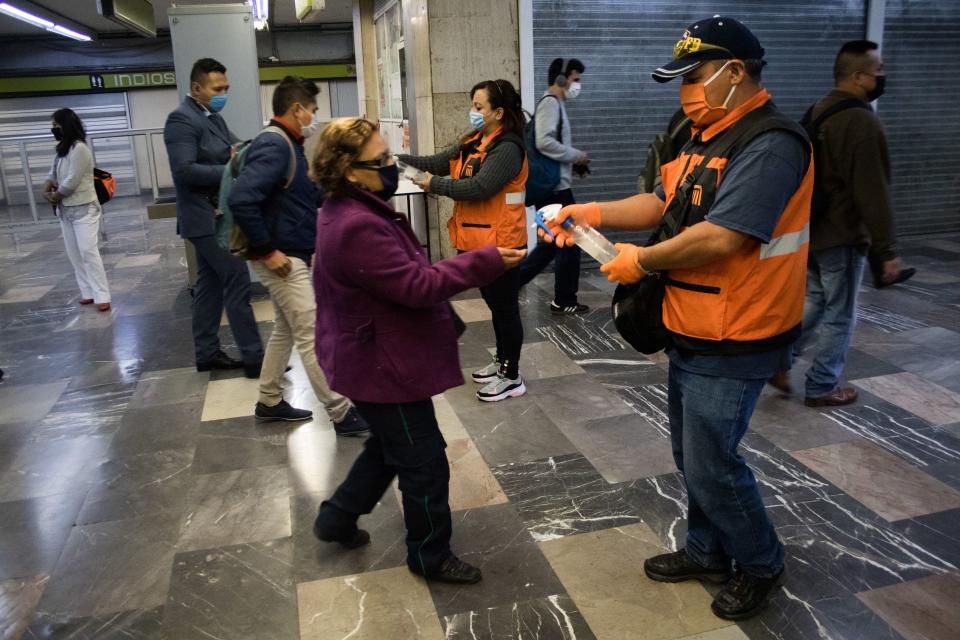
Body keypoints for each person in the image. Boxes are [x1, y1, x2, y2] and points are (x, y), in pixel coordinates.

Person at [545, 17, 808, 620]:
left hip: (741, 328)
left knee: (713, 462)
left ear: (735, 72)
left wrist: (641, 262)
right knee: (694, 456)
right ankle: (707, 551)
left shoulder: (770, 143)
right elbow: (664, 204)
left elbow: (722, 237)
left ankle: (762, 562)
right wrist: (592, 212)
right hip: (692, 320)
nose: (683, 90)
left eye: (692, 77)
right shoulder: (702, 133)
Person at [309, 118, 526, 583]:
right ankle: (428, 554)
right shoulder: (355, 224)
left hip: (371, 359)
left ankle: (337, 516)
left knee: (392, 447)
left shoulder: (349, 209)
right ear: (350, 170)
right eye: (382, 161)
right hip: (382, 368)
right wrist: (484, 260)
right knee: (423, 460)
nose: (392, 168)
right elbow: (416, 285)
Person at [769, 40, 915, 406]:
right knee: (840, 313)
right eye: (878, 70)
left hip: (812, 230)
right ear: (859, 76)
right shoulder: (862, 121)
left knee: (815, 301)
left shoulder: (818, 110)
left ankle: (777, 363)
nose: (882, 76)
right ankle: (821, 385)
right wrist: (887, 250)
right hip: (842, 234)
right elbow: (873, 191)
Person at [228, 76, 368, 435]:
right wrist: (267, 250)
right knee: (312, 332)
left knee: (285, 331)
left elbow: (300, 198)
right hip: (283, 258)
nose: (314, 117)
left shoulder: (287, 144)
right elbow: (242, 199)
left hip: (290, 253)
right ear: (296, 109)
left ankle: (269, 400)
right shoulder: (275, 146)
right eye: (313, 110)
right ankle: (340, 412)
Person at [398, 79, 529, 402]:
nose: (473, 111)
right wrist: (396, 159)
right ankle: (501, 361)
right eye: (473, 105)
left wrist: (435, 185)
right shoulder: (474, 140)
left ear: (499, 112)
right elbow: (437, 163)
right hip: (477, 240)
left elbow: (479, 187)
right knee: (495, 305)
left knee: (505, 308)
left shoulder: (508, 148)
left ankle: (511, 375)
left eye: (478, 106)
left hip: (502, 242)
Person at [164, 58, 264, 377]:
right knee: (237, 281)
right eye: (217, 88)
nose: (223, 93)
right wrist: (229, 170)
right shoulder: (181, 120)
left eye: (226, 88)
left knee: (209, 286)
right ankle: (254, 358)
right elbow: (184, 172)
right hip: (204, 217)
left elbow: (237, 148)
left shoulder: (213, 118)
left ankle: (206, 353)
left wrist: (258, 152)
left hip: (214, 214)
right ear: (196, 88)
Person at [515, 58, 590, 315]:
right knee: (569, 241)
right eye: (575, 79)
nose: (577, 85)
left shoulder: (554, 104)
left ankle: (517, 284)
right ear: (561, 79)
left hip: (556, 186)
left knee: (553, 244)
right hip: (555, 188)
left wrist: (573, 164)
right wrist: (576, 155)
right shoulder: (550, 103)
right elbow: (544, 142)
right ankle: (564, 298)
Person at [42, 108, 111, 312]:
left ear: (66, 125)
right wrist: (45, 187)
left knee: (88, 252)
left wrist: (55, 196)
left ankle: (102, 295)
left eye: (56, 125)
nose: (53, 129)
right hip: (65, 211)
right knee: (74, 254)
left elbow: (72, 180)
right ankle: (87, 292)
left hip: (84, 209)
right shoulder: (62, 149)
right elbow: (53, 172)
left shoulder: (80, 148)